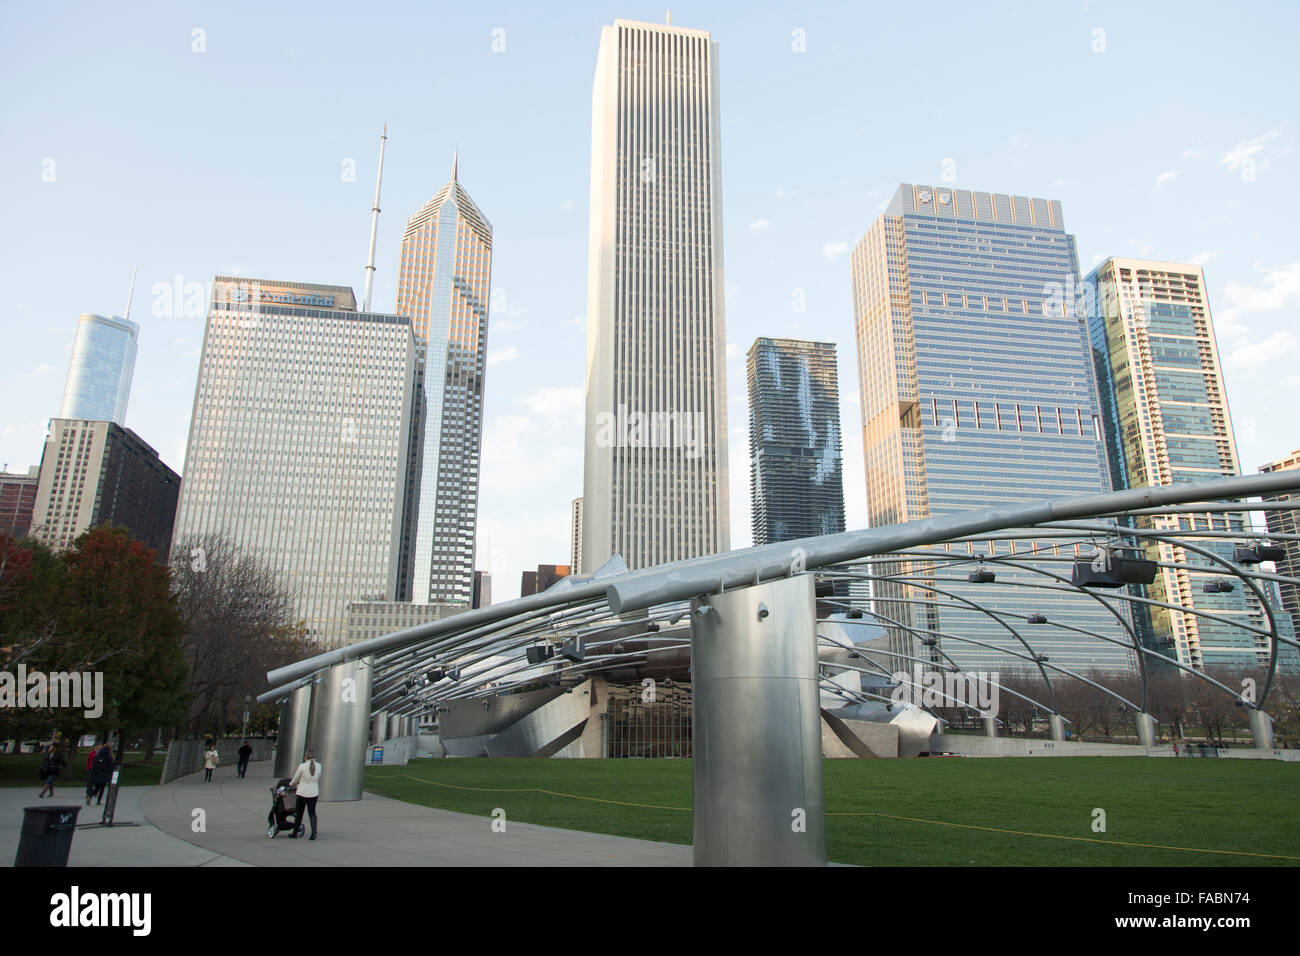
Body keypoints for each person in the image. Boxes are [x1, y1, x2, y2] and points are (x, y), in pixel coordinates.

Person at [289, 749, 322, 840]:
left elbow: (296, 779)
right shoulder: (319, 766)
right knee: (312, 813)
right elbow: (318, 777)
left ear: (305, 757)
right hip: (314, 792)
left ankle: (295, 832)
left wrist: (290, 784)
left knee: (299, 813)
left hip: (302, 792)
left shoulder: (302, 766)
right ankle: (314, 832)